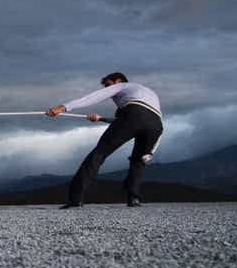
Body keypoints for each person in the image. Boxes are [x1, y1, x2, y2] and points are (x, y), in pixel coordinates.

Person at [46, 72, 163, 208]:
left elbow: (93, 98)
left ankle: (75, 199)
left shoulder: (123, 86)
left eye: (108, 85)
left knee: (99, 154)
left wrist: (62, 107)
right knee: (138, 161)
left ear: (118, 81)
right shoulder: (143, 93)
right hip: (156, 124)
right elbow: (129, 119)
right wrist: (100, 118)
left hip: (134, 115)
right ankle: (134, 199)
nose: (107, 90)